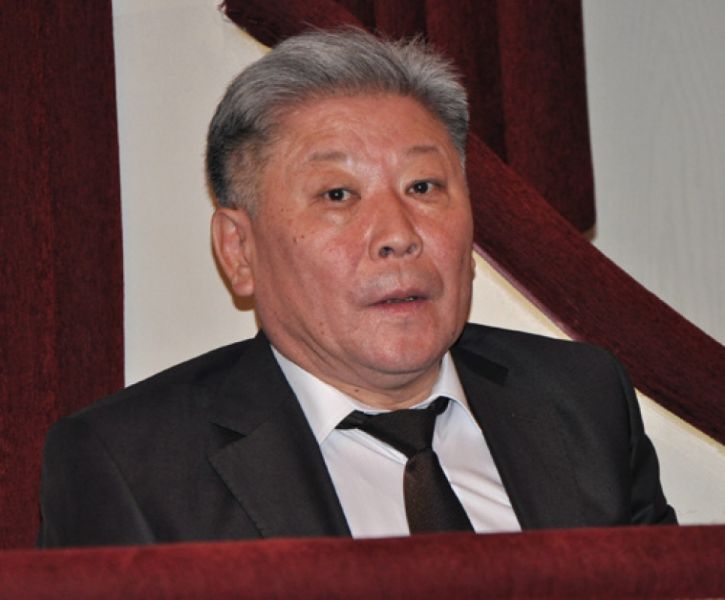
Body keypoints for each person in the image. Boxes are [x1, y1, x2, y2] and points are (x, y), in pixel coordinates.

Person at [38, 29, 676, 547]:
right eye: (338, 195)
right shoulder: (132, 466)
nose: (398, 235)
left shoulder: (582, 399)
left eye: (423, 187)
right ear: (240, 251)